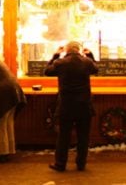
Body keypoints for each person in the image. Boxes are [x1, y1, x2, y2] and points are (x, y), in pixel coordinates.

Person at [44, 40, 98, 172]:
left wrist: (56, 55)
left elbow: (47, 71)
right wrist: (90, 55)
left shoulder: (60, 63)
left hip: (66, 105)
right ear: (79, 50)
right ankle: (81, 164)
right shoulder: (86, 62)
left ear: (67, 50)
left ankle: (60, 164)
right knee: (83, 136)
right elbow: (96, 69)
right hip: (84, 105)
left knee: (63, 136)